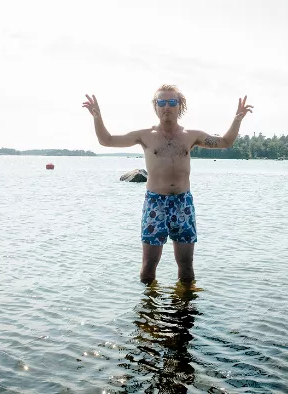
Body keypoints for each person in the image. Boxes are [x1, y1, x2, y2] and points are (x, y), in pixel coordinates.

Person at [82, 84, 253, 284]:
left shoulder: (191, 135)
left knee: (186, 267)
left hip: (183, 204)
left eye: (172, 102)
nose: (167, 107)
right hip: (155, 203)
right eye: (161, 102)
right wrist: (97, 117)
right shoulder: (145, 135)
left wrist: (237, 119)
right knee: (148, 267)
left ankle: (185, 311)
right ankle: (149, 310)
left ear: (180, 105)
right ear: (155, 106)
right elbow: (107, 140)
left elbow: (224, 142)